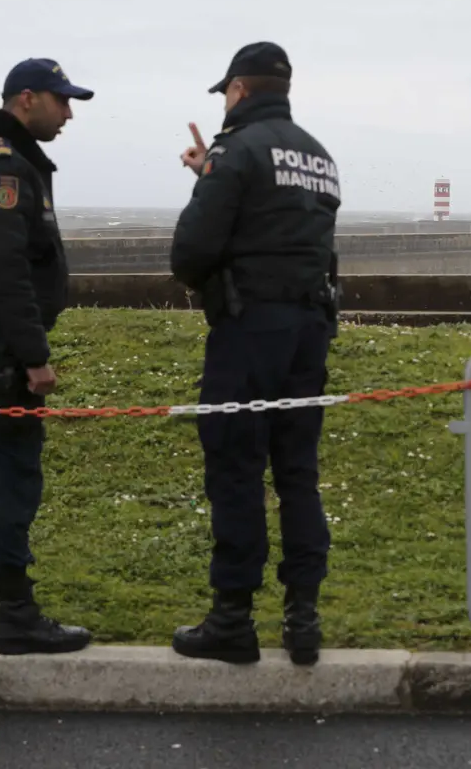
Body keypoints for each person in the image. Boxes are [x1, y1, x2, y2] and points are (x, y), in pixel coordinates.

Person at [169, 41, 342, 666]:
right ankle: (303, 617)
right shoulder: (318, 155)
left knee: (236, 470)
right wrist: (208, 175)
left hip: (248, 332)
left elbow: (189, 253)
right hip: (309, 330)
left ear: (238, 90)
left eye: (225, 94)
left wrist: (207, 180)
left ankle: (232, 620)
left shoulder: (233, 150)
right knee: (297, 472)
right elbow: (290, 227)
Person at [0, 58, 95, 655]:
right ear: (26, 99)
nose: (70, 113)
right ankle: (17, 614)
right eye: (62, 100)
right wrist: (33, 357)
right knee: (11, 475)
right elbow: (5, 272)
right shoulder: (3, 165)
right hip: (1, 350)